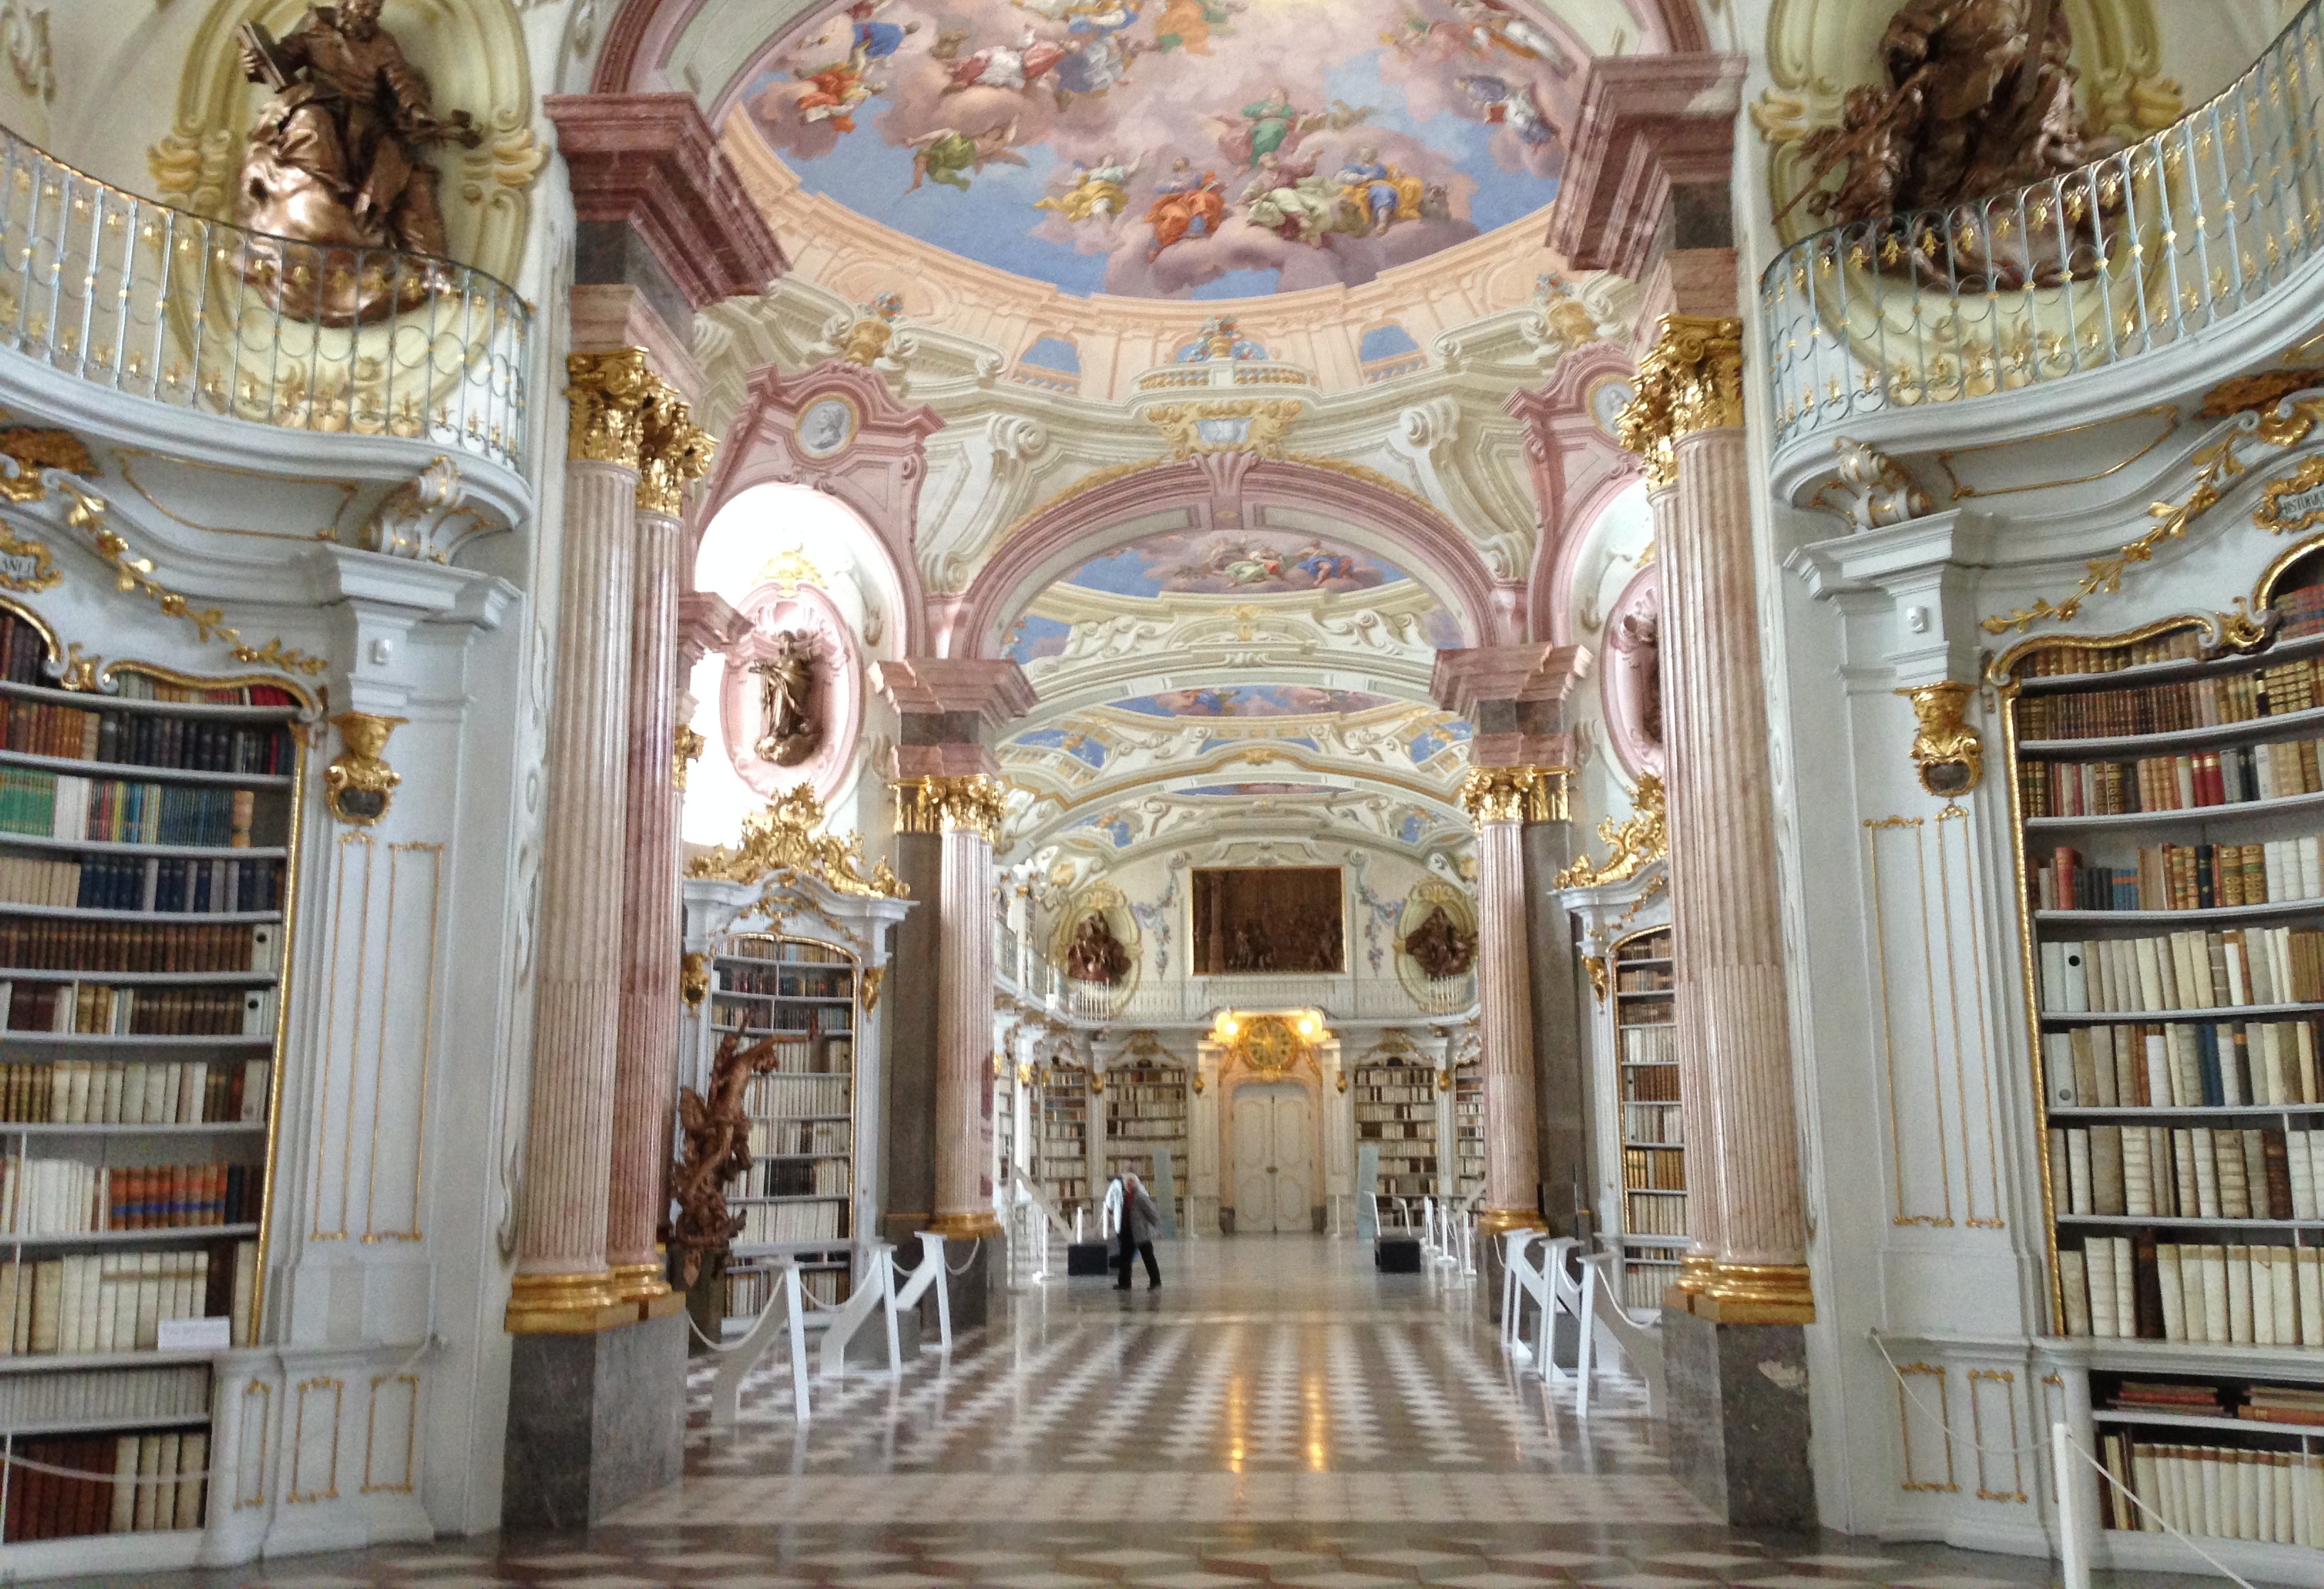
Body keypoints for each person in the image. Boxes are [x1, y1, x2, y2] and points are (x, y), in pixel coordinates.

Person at [1114, 1171, 1162, 1289]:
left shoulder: (1141, 1196)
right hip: (1127, 1232)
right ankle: (1124, 1283)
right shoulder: (1125, 1196)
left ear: (1136, 1183)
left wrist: (1157, 1227)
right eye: (1127, 1183)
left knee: (1148, 1257)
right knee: (1125, 1258)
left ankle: (1156, 1281)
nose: (1128, 1185)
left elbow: (1152, 1212)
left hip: (1140, 1232)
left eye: (1131, 1182)